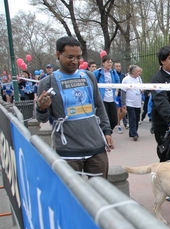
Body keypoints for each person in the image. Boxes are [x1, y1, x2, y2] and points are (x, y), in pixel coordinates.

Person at [35, 36, 114, 179]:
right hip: (68, 151)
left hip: (95, 147)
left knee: (101, 194)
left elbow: (100, 107)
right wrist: (41, 108)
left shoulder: (89, 76)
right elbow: (42, 118)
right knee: (71, 197)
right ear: (58, 55)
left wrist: (106, 131)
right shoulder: (47, 82)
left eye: (78, 57)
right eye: (70, 57)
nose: (75, 61)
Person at [93, 55, 120, 132]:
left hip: (112, 99)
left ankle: (108, 132)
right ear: (103, 63)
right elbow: (92, 82)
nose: (110, 64)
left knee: (114, 120)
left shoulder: (114, 72)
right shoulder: (97, 72)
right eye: (108, 62)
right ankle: (105, 134)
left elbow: (118, 82)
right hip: (102, 99)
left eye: (111, 62)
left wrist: (116, 91)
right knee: (105, 119)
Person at [121, 65, 143, 141]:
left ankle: (132, 131)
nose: (139, 73)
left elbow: (141, 87)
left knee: (137, 118)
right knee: (132, 117)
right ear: (133, 72)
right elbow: (123, 91)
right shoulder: (126, 79)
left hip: (137, 102)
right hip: (129, 102)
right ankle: (134, 134)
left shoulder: (139, 78)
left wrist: (142, 90)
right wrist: (123, 103)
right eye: (138, 71)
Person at [114, 61, 127, 134]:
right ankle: (118, 125)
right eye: (116, 66)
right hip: (116, 95)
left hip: (122, 95)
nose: (118, 67)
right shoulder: (113, 74)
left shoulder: (123, 75)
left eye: (119, 66)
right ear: (114, 67)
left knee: (124, 111)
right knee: (118, 111)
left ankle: (117, 122)